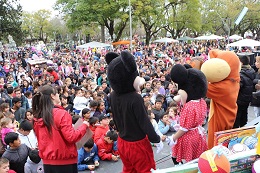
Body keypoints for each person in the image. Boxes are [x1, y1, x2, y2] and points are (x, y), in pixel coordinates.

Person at [32, 85, 89, 173]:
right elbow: (71, 137)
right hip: (65, 160)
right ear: (52, 96)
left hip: (47, 161)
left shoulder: (37, 116)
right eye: (57, 93)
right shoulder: (61, 114)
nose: (59, 95)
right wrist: (84, 126)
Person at [233, 56, 255, 128]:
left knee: (237, 117)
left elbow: (238, 87)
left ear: (241, 63)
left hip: (240, 99)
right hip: (247, 98)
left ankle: (236, 134)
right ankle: (244, 130)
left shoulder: (241, 74)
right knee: (244, 115)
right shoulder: (251, 71)